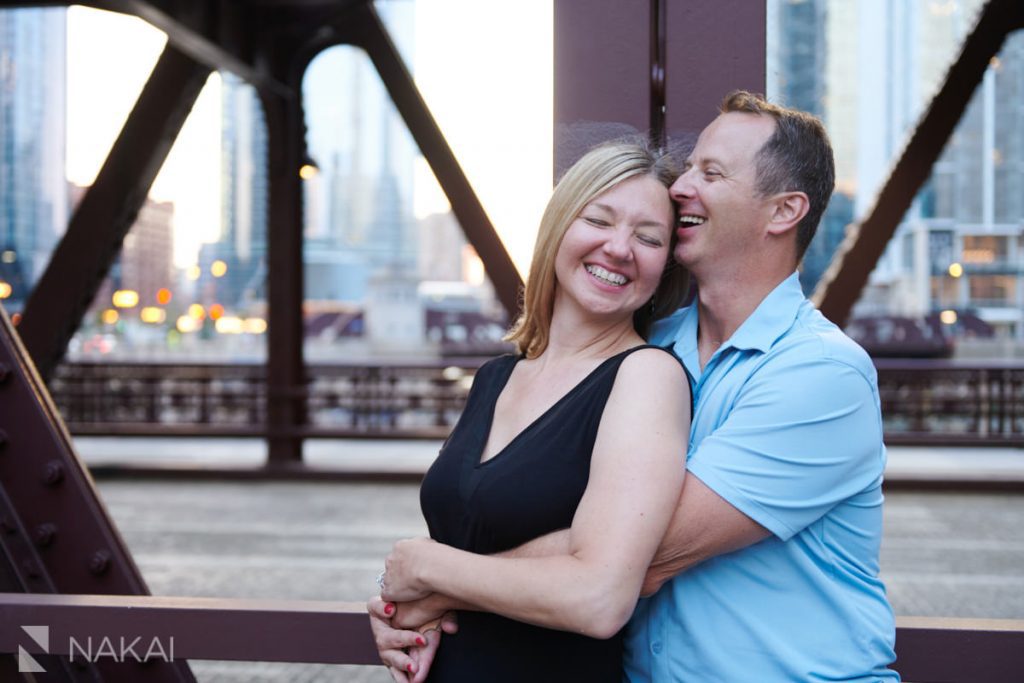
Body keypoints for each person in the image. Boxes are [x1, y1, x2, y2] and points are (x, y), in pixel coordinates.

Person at [372, 91, 899, 682]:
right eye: (690, 165)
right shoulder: (646, 349)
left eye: (711, 172)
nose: (680, 187)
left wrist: (431, 579)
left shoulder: (820, 374)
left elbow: (637, 559)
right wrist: (422, 582)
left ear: (783, 212)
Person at [369, 140, 693, 682]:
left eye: (648, 237)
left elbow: (600, 598)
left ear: (665, 266)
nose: (619, 248)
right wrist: (400, 612)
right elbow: (472, 545)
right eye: (599, 219)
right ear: (559, 226)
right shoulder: (497, 377)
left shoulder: (646, 376)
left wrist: (427, 569)